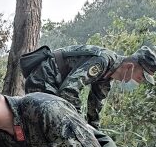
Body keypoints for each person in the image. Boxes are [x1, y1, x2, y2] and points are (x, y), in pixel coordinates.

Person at [21, 45, 156, 129]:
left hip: (55, 84)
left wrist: (95, 133)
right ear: (130, 66)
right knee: (49, 126)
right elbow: (68, 91)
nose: (140, 81)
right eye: (141, 76)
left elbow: (94, 108)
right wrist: (81, 123)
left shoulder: (107, 77)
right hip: (44, 78)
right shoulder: (103, 61)